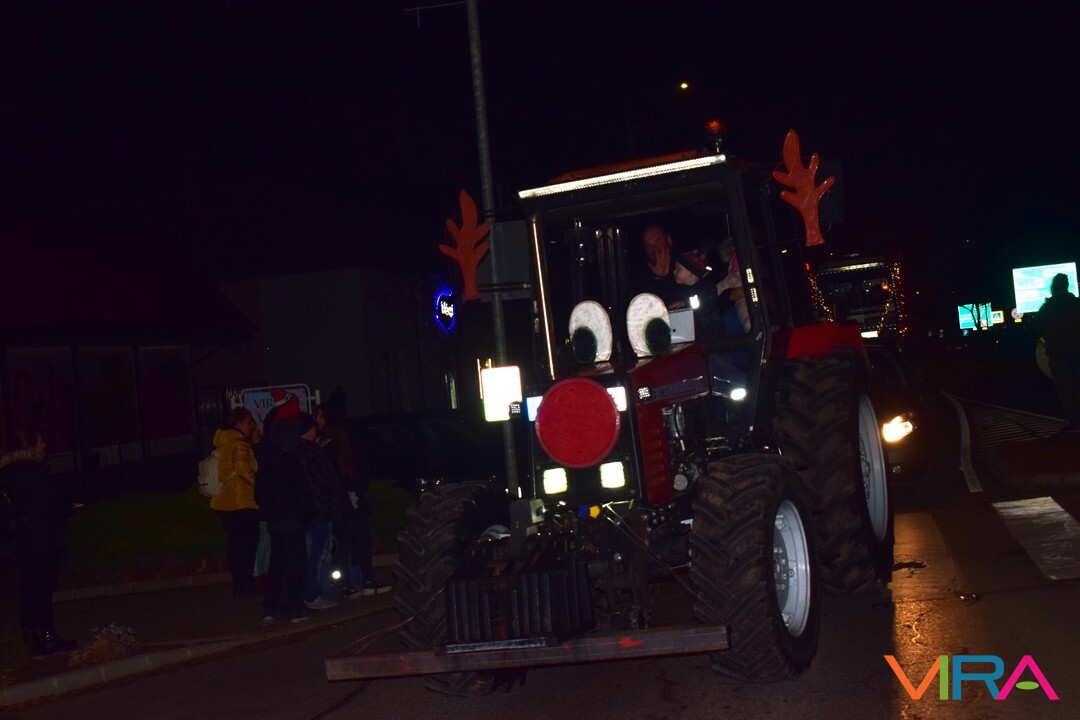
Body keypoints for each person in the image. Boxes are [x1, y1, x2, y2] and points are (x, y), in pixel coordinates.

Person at [0, 429, 78, 658]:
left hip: (21, 540)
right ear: (31, 446)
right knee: (43, 589)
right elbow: (50, 504)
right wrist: (67, 508)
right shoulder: (35, 473)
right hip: (43, 539)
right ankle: (48, 637)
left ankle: (30, 636)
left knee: (28, 587)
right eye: (41, 442)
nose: (44, 446)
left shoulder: (7, 473)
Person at [254, 409, 313, 624]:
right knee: (295, 563)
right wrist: (306, 512)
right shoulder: (290, 461)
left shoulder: (267, 461)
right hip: (292, 519)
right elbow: (302, 492)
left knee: (277, 563)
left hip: (275, 520)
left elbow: (259, 493)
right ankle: (295, 607)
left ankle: (271, 606)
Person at [210, 407, 260, 596]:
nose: (251, 426)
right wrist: (260, 486)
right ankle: (245, 583)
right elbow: (244, 469)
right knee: (247, 544)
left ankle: (239, 583)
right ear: (239, 424)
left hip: (224, 501)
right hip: (241, 501)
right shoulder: (239, 443)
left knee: (236, 544)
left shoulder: (225, 441)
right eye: (249, 422)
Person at [296, 412, 340, 609]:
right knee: (318, 553)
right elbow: (324, 481)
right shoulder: (311, 451)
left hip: (304, 512)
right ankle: (313, 594)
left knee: (309, 553)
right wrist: (329, 497)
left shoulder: (293, 450)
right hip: (319, 511)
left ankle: (311, 592)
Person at [1037, 273, 1080, 431]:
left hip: (1058, 353)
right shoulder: (1076, 303)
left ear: (1053, 287)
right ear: (1067, 286)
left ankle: (1074, 420)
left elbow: (1037, 328)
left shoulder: (1047, 307)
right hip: (1077, 350)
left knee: (1065, 388)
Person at [637, 225, 681, 306]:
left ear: (669, 241)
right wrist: (659, 279)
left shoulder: (684, 265)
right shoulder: (641, 276)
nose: (653, 248)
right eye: (648, 245)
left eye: (657, 242)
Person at [714, 237, 750, 333]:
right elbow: (714, 292)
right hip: (738, 303)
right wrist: (729, 295)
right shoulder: (724, 272)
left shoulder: (754, 257)